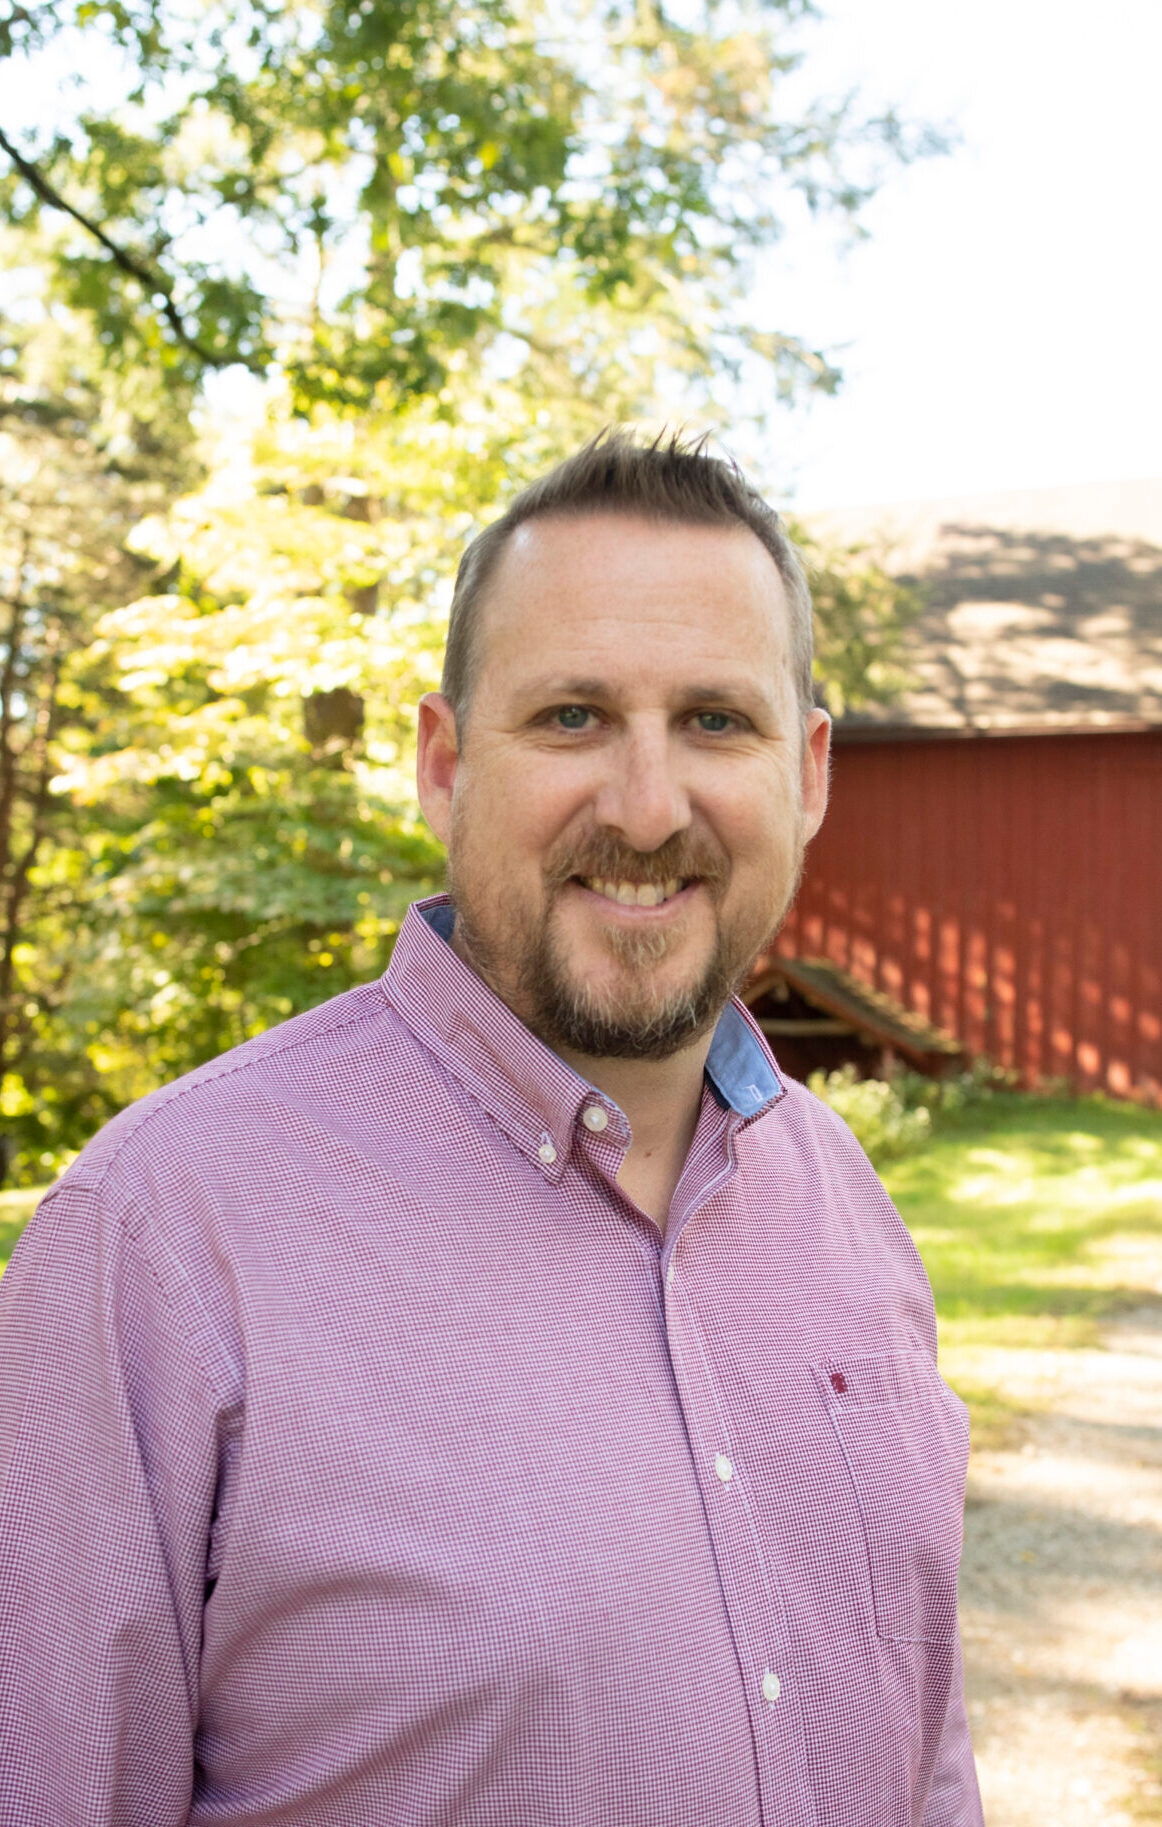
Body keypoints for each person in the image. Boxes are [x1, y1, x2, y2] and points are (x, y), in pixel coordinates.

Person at [0, 430, 983, 1826]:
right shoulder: (163, 1238)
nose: (647, 810)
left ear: (807, 772)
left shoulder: (844, 1213)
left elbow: (924, 1757)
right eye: (571, 717)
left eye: (715, 721)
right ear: (444, 764)